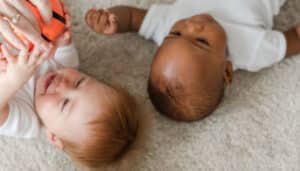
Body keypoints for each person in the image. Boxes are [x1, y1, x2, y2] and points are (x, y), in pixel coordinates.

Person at [85, 0, 300, 122]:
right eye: (202, 41)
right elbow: (295, 38)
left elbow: (132, 18)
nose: (192, 25)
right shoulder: (253, 50)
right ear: (226, 71)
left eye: (176, 34)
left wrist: (112, 21)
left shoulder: (165, 25)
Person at [0, 0, 144, 168]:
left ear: (54, 136)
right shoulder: (67, 65)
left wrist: (13, 79)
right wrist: (60, 29)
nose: (63, 84)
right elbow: (61, 37)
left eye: (65, 103)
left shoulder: (29, 123)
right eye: (79, 82)